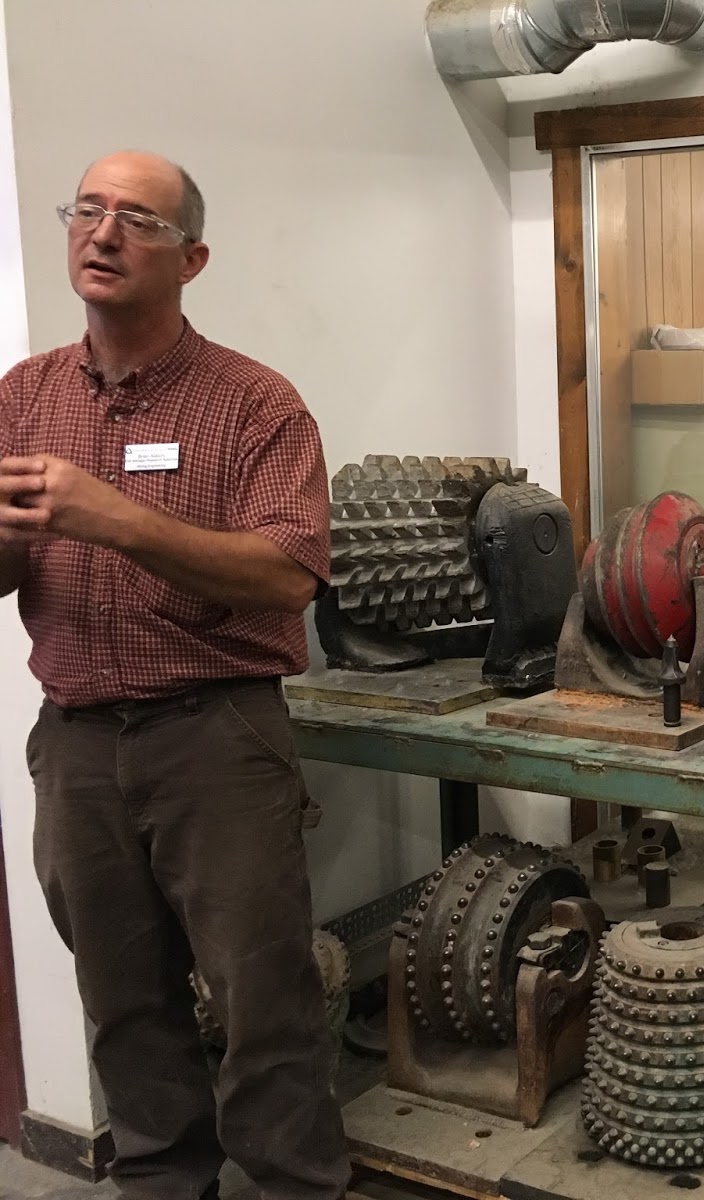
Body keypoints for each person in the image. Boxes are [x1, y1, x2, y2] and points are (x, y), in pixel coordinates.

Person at [0, 152, 348, 1200]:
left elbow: (287, 575)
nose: (102, 234)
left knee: (261, 998)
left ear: (191, 257)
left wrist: (114, 518)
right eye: (89, 211)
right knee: (120, 996)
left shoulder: (254, 405)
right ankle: (160, 1179)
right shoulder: (22, 397)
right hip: (77, 746)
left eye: (137, 220)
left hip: (217, 740)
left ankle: (292, 1182)